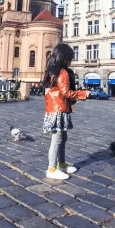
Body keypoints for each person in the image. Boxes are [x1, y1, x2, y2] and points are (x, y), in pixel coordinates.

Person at [42, 44, 89, 180]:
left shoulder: (52, 71)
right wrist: (84, 94)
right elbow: (66, 92)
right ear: (64, 58)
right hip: (58, 109)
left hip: (56, 108)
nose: (70, 62)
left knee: (62, 138)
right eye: (69, 59)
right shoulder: (62, 72)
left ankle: (62, 165)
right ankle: (51, 168)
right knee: (57, 139)